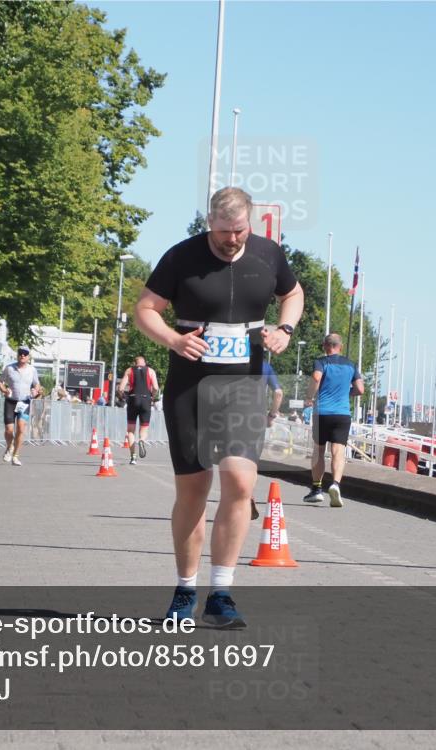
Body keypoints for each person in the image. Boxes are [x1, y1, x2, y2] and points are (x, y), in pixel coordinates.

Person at [135, 186, 304, 629]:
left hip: (244, 385)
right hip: (190, 386)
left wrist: (284, 329)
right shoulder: (181, 257)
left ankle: (221, 594)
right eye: (224, 231)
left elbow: (294, 294)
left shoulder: (268, 255)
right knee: (193, 490)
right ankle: (184, 590)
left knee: (240, 482)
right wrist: (173, 339)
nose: (232, 239)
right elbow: (146, 309)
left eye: (240, 230)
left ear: (251, 223)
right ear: (209, 222)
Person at [303, 333, 364, 508]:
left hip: (322, 413)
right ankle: (335, 484)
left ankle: (316, 489)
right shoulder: (351, 365)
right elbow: (360, 389)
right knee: (338, 451)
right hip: (342, 414)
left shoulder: (321, 362)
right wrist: (346, 393)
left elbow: (316, 377)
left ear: (325, 346)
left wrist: (309, 397)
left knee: (319, 450)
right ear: (341, 346)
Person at [248, 357, 284, 520]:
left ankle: (239, 495)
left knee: (232, 459)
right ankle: (248, 494)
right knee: (252, 461)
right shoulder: (265, 367)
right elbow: (278, 393)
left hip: (233, 416)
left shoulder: (234, 362)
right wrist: (272, 415)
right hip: (257, 417)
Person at [0, 346, 42, 467]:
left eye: (25, 354)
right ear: (17, 355)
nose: (22, 355)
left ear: (28, 357)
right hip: (10, 402)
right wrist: (4, 390)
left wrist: (35, 390)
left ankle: (15, 456)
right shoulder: (9, 368)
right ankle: (9, 447)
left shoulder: (32, 370)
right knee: (9, 430)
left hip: (24, 402)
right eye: (20, 353)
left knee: (21, 429)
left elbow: (37, 384)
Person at [118, 356, 160, 466]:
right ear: (144, 363)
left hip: (133, 399)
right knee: (144, 427)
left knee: (131, 430)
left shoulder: (129, 370)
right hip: (146, 399)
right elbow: (156, 387)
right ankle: (141, 440)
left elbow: (121, 388)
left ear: (135, 363)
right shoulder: (151, 371)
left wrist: (123, 397)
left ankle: (133, 457)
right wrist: (152, 396)